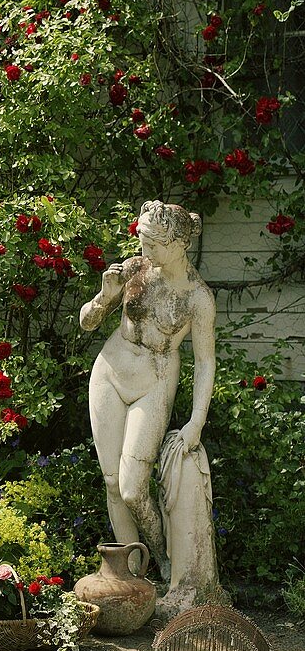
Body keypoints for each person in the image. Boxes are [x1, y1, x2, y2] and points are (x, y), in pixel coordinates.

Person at [80, 200, 216, 583]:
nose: (145, 251)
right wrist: (106, 296)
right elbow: (87, 322)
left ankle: (164, 561)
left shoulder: (197, 298)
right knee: (111, 482)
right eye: (142, 240)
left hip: (154, 382)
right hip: (110, 370)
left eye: (154, 243)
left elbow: (205, 362)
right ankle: (131, 577)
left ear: (179, 244)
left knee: (132, 488)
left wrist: (195, 422)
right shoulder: (136, 268)